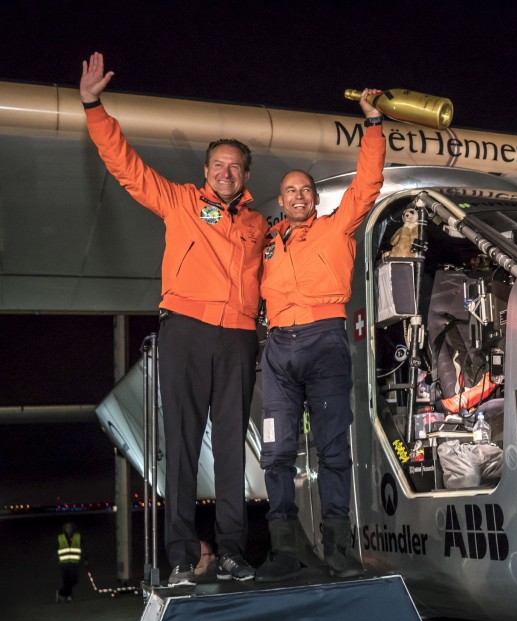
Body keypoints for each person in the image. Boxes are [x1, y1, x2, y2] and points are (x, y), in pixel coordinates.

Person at [80, 52, 266, 586]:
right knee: (181, 444)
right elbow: (126, 166)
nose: (226, 173)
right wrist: (94, 105)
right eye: (218, 165)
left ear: (245, 175)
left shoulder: (258, 223)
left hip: (237, 338)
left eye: (235, 166)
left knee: (232, 446)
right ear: (206, 172)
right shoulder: (182, 202)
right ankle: (182, 554)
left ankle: (232, 551)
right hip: (185, 329)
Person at [256, 90, 386, 581]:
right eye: (289, 190)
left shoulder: (337, 228)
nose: (297, 196)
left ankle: (339, 549)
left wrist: (372, 124)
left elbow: (368, 183)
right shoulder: (264, 240)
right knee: (277, 452)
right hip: (277, 350)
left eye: (305, 190)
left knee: (334, 450)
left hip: (326, 340)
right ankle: (285, 551)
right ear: (282, 198)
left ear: (314, 198)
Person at [56, 522, 82, 602]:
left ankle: (61, 593)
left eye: (70, 527)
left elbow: (82, 547)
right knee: (66, 581)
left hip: (74, 562)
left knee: (74, 580)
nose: (69, 529)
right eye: (67, 527)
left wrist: (85, 559)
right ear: (64, 529)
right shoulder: (60, 537)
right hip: (64, 563)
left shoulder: (77, 536)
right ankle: (68, 596)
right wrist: (57, 560)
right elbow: (56, 549)